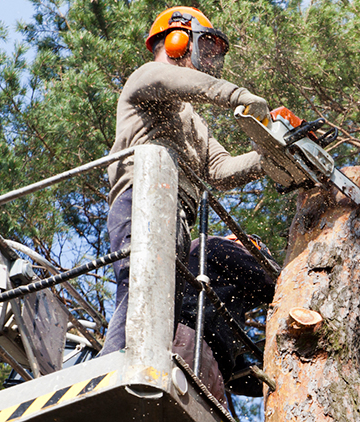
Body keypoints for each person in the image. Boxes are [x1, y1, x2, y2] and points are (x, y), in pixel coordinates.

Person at [101, 6, 277, 397]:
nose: (211, 60)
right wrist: (241, 97)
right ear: (177, 40)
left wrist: (275, 154)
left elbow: (221, 170)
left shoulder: (193, 119)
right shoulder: (147, 78)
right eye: (207, 47)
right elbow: (194, 85)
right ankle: (111, 380)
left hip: (178, 215)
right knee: (141, 296)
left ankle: (220, 361)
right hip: (143, 201)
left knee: (169, 306)